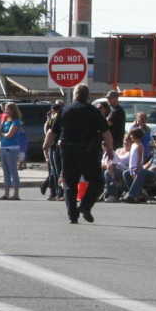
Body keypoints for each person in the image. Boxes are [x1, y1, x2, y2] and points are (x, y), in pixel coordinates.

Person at [55, 83, 114, 225]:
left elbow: (53, 131)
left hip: (68, 152)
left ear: (75, 95)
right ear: (88, 96)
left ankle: (72, 216)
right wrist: (110, 149)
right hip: (89, 152)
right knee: (97, 182)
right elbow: (106, 132)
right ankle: (85, 206)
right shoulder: (93, 111)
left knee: (70, 184)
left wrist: (45, 146)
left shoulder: (65, 110)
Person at [0, 102, 27, 200]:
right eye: (5, 109)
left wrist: (1, 134)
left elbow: (9, 135)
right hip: (3, 147)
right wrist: (2, 122)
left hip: (12, 148)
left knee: (13, 171)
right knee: (5, 172)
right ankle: (6, 193)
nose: (6, 111)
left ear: (13, 110)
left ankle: (16, 194)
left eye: (7, 109)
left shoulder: (16, 121)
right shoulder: (6, 120)